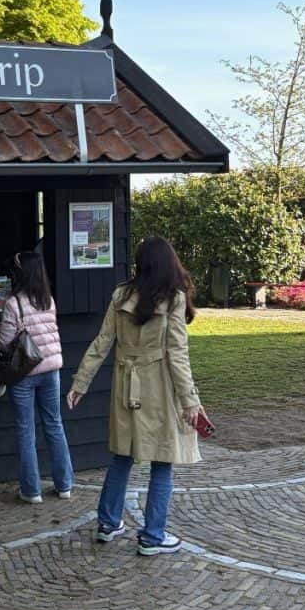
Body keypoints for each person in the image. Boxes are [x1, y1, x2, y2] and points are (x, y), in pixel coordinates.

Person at [66, 236, 201, 555]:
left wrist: (80, 383)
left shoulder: (120, 294)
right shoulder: (174, 298)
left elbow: (102, 342)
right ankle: (153, 536)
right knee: (163, 459)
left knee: (122, 455)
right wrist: (190, 401)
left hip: (125, 384)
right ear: (170, 262)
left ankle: (108, 523)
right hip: (158, 386)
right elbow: (178, 354)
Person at [0, 250, 74, 503]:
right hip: (51, 370)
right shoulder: (48, 300)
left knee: (26, 430)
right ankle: (64, 486)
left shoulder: (13, 304)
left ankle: (31, 491)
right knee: (54, 425)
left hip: (24, 374)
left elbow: (6, 343)